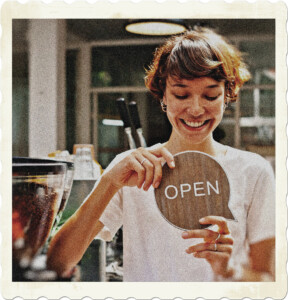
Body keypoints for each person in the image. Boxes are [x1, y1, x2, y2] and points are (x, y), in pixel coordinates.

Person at [47, 27, 275, 282]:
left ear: (227, 96)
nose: (196, 109)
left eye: (211, 95)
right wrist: (110, 181)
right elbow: (58, 263)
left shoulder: (253, 170)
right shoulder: (134, 169)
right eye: (181, 94)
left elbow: (269, 281)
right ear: (163, 95)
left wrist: (229, 270)